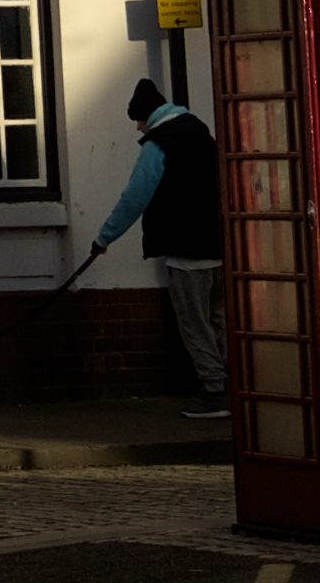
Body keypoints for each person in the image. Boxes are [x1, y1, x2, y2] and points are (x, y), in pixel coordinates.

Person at [90, 75, 225, 416]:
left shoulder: (158, 146)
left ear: (148, 115)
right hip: (222, 250)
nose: (138, 128)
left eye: (138, 120)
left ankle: (215, 392)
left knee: (195, 327)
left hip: (186, 254)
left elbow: (134, 198)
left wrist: (104, 238)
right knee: (221, 322)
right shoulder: (205, 138)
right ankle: (234, 389)